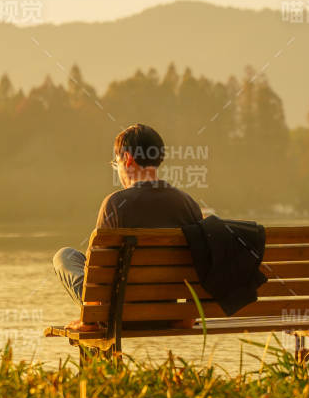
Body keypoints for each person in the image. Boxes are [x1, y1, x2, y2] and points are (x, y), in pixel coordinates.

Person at [52, 123, 202, 318]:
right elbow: (200, 267)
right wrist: (185, 318)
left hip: (119, 316)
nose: (117, 170)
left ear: (128, 159)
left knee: (65, 256)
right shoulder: (188, 204)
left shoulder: (115, 204)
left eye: (116, 163)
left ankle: (92, 316)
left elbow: (99, 275)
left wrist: (89, 321)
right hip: (168, 315)